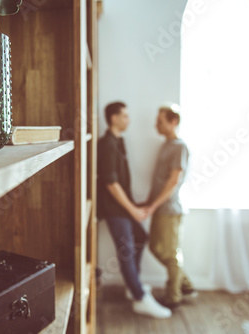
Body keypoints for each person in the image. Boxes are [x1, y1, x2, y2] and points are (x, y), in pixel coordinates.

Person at [97, 102, 171, 318]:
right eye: (125, 116)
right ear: (114, 119)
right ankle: (140, 297)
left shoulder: (118, 141)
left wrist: (135, 206)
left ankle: (133, 286)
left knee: (140, 236)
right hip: (114, 209)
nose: (128, 119)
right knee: (126, 250)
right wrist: (133, 210)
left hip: (122, 207)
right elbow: (111, 183)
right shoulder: (108, 144)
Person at [143, 103, 197, 309]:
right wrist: (149, 204)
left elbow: (173, 181)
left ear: (173, 122)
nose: (156, 124)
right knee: (156, 248)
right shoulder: (166, 145)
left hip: (170, 210)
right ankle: (185, 284)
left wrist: (152, 206)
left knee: (171, 254)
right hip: (160, 209)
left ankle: (173, 297)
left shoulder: (179, 147)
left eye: (160, 121)